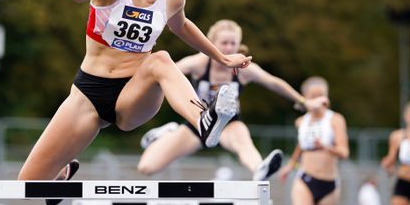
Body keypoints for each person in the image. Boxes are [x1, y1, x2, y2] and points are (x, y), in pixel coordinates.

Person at [17, 0, 252, 205]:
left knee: (160, 60)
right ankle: (63, 171)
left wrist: (222, 57)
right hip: (89, 94)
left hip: (133, 93)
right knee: (26, 186)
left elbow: (183, 26)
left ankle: (203, 119)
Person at [137, 19, 322, 181]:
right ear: (210, 43)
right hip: (197, 123)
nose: (228, 48)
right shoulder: (199, 63)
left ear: (239, 45)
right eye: (223, 43)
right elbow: (165, 74)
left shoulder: (244, 68)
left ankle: (259, 168)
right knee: (146, 167)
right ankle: (168, 133)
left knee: (243, 142)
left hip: (228, 125)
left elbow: (273, 82)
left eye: (233, 43)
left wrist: (304, 101)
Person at [278, 76, 349, 205]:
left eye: (321, 95)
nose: (318, 99)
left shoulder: (335, 120)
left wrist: (325, 146)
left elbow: (344, 152)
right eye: (313, 96)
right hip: (305, 178)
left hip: (329, 184)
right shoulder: (301, 122)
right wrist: (290, 165)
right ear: (306, 99)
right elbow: (301, 145)